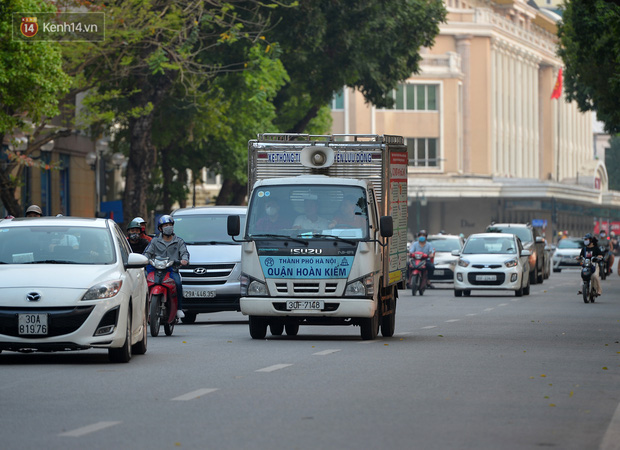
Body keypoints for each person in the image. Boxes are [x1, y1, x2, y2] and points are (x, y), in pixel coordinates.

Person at [143, 215, 190, 318]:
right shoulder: (155, 241)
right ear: (160, 228)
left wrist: (184, 260)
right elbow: (147, 252)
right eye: (165, 225)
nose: (168, 227)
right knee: (143, 282)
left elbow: (184, 253)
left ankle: (179, 308)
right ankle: (143, 308)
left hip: (171, 270)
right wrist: (145, 259)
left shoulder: (179, 241)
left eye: (170, 225)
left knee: (177, 283)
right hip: (154, 269)